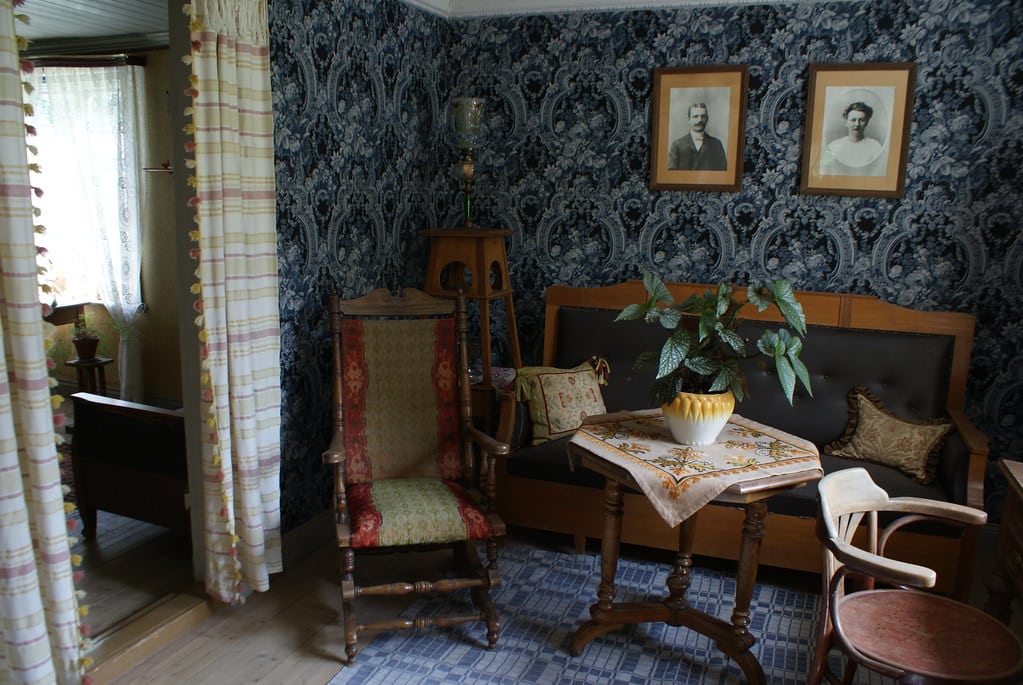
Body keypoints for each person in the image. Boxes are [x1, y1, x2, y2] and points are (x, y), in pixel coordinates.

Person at [667, 103, 727, 171]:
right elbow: (670, 174)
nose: (700, 120)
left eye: (703, 116)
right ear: (689, 120)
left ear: (707, 119)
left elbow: (723, 173)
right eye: (695, 116)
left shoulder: (716, 144)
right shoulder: (677, 145)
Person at [825, 101, 883, 169]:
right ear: (846, 122)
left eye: (861, 120)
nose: (857, 124)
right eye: (853, 120)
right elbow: (825, 168)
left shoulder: (876, 147)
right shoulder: (833, 146)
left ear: (867, 123)